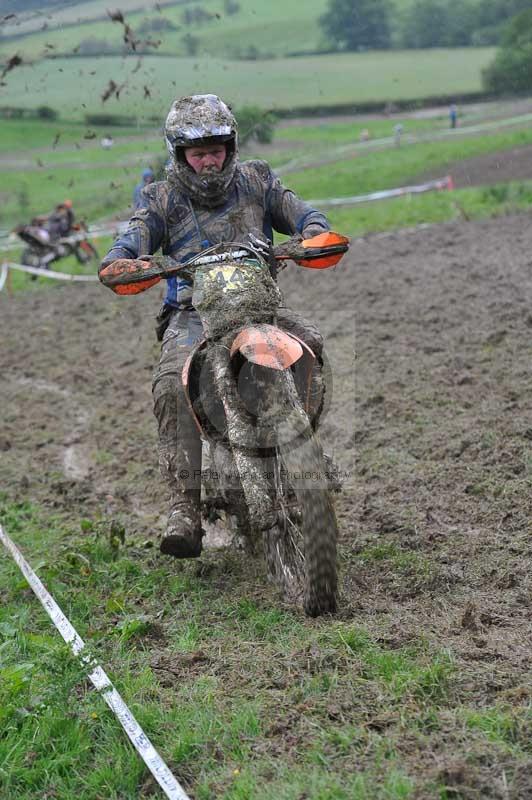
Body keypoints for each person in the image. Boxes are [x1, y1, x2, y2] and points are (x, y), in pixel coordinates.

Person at [99, 94, 331, 559]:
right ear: (179, 154)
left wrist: (312, 231)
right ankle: (184, 504)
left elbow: (301, 213)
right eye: (197, 152)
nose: (209, 160)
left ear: (231, 146)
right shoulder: (160, 198)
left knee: (311, 343)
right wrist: (125, 262)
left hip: (258, 305)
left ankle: (307, 452)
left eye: (216, 148)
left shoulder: (258, 180)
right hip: (192, 313)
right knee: (169, 385)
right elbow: (130, 241)